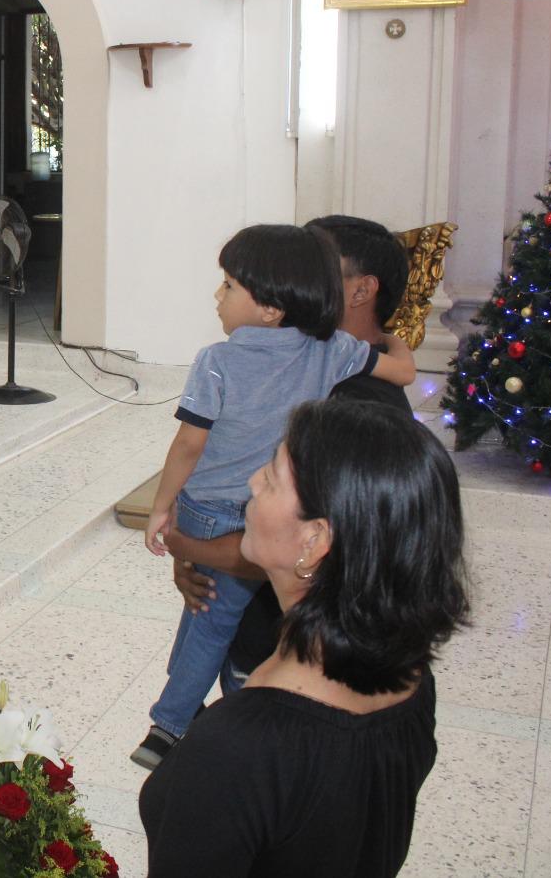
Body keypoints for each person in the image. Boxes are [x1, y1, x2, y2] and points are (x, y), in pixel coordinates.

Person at [139, 399, 470, 877]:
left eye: (271, 478)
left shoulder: (236, 749)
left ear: (315, 540)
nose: (253, 482)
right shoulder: (411, 676)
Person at [132, 224, 415, 770]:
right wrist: (398, 341)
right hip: (237, 562)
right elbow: (402, 368)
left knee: (207, 627)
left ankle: (169, 724)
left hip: (280, 636)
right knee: (205, 621)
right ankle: (180, 714)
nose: (220, 295)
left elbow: (192, 443)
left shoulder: (226, 361)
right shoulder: (331, 354)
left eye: (231, 285)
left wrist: (176, 528)